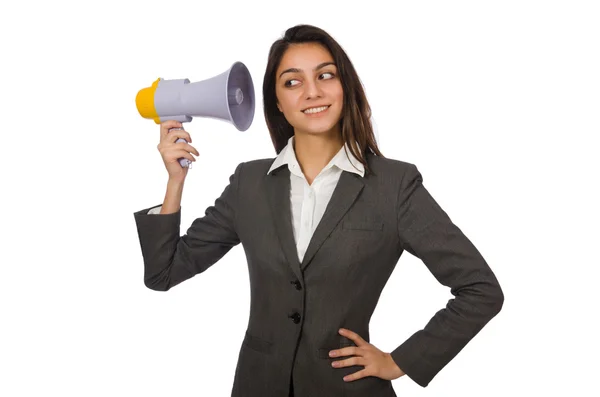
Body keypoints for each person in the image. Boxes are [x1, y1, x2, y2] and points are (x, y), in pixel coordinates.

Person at [133, 24, 504, 397]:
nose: (312, 92)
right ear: (277, 101)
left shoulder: (394, 185)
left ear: (345, 87)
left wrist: (399, 361)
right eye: (292, 82)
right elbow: (163, 272)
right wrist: (175, 182)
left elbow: (480, 289)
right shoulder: (249, 184)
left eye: (325, 75)